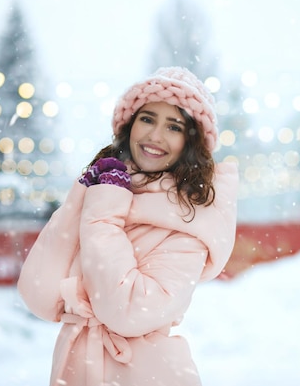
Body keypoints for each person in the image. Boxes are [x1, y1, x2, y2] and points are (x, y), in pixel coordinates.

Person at [17, 66, 238, 386]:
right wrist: (82, 198)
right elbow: (40, 295)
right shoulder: (108, 190)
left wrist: (103, 218)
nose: (155, 135)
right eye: (147, 119)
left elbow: (129, 311)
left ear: (190, 143)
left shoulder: (190, 220)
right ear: (129, 126)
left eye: (174, 126)